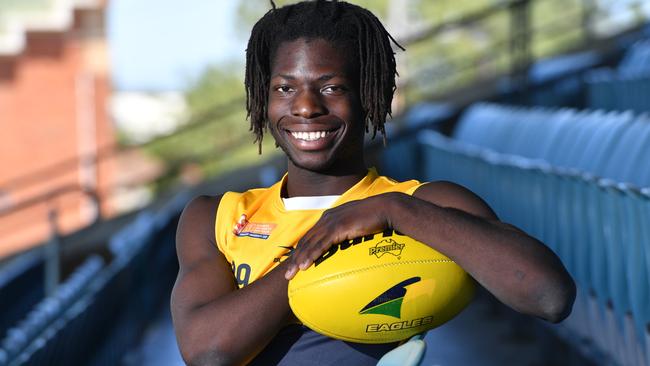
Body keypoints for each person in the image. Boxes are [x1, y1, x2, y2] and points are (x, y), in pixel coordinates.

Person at [170, 1, 576, 365]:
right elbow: (208, 351)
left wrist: (392, 211)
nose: (307, 106)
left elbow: (548, 295)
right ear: (264, 97)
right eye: (285, 88)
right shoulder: (215, 216)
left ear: (369, 94)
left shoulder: (421, 203)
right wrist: (319, 252)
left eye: (332, 87)